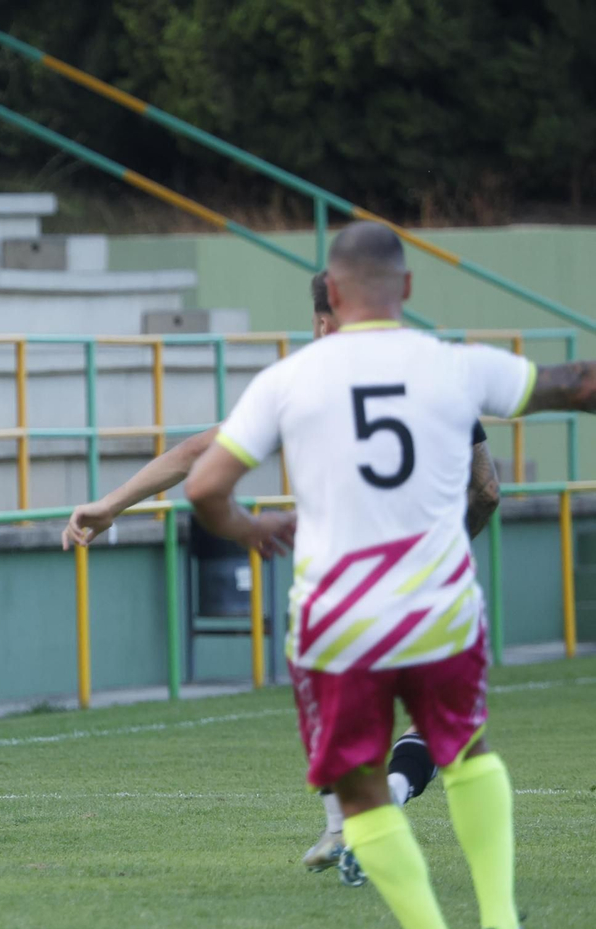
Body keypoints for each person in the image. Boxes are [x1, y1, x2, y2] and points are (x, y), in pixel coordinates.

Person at [184, 220, 568, 929]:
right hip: (439, 607)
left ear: (328, 295)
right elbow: (572, 391)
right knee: (467, 751)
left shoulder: (292, 379)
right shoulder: (455, 368)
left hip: (339, 619)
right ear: (410, 291)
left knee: (356, 791)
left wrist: (253, 529)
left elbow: (202, 485)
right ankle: (503, 925)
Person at [61, 269, 501, 882]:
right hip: (432, 584)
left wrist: (111, 504)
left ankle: (347, 826)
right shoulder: (441, 373)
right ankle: (404, 823)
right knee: (446, 722)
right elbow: (486, 488)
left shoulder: (303, 387)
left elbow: (199, 458)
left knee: (340, 713)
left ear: (324, 321)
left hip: (343, 588)